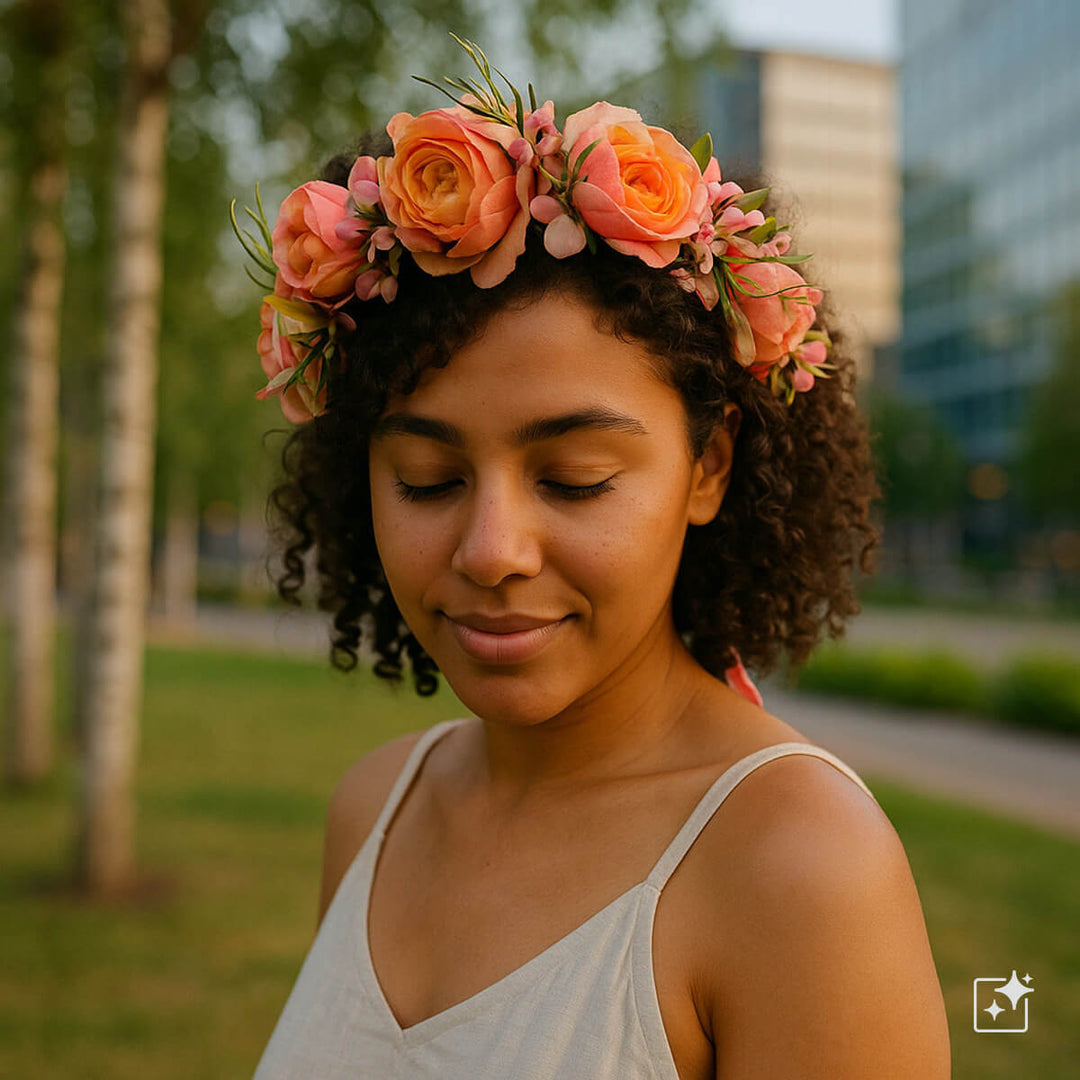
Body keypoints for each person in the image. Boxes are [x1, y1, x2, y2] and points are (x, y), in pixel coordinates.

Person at [240, 39, 951, 1079]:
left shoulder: (797, 869)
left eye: (573, 478)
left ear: (707, 468)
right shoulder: (375, 809)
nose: (491, 551)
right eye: (428, 482)